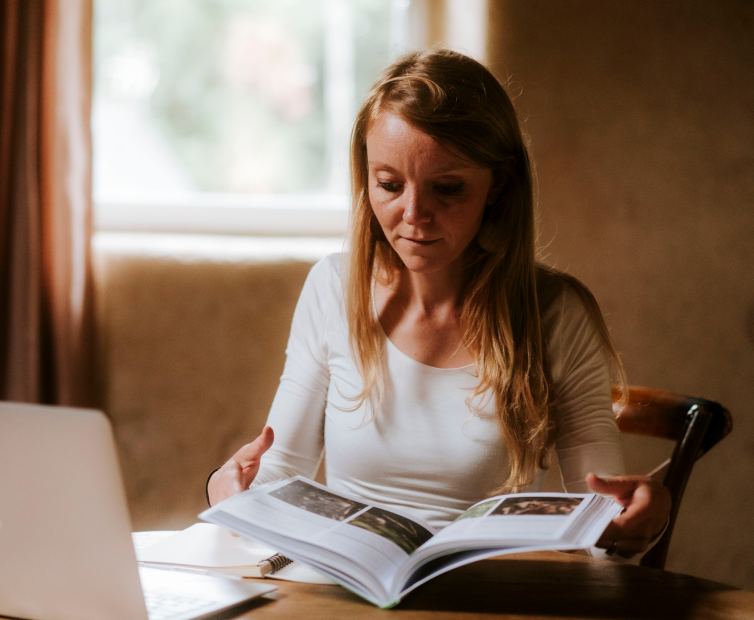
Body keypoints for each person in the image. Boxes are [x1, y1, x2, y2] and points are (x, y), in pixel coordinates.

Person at [207, 49, 670, 559]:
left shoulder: (555, 315)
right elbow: (278, 472)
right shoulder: (333, 289)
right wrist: (226, 489)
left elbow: (599, 511)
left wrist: (636, 516)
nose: (413, 214)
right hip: (348, 590)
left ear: (500, 186)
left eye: (446, 189)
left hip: (490, 599)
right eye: (388, 184)